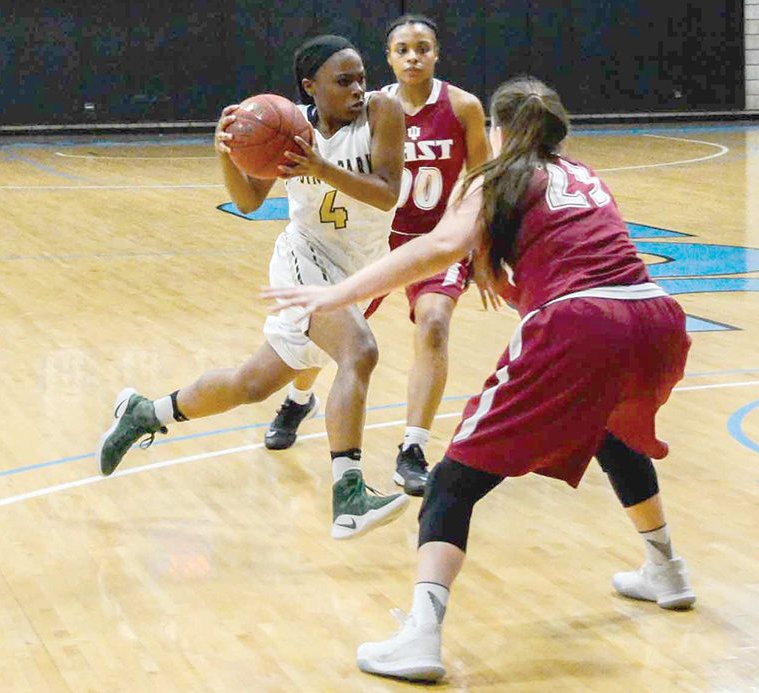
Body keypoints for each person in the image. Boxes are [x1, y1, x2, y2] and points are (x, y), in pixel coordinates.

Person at [261, 76, 696, 681]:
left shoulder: (495, 179)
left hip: (585, 325)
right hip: (659, 320)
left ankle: (420, 637)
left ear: (498, 132)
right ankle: (666, 570)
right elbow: (571, 250)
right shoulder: (584, 174)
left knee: (451, 483)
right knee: (613, 433)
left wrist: (337, 292)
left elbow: (436, 248)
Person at [95, 35, 411, 541]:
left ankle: (144, 412)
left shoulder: (383, 113)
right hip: (302, 262)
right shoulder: (289, 128)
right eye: (343, 80)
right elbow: (246, 200)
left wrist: (321, 169)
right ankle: (348, 495)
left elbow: (386, 192)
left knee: (252, 384)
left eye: (361, 78)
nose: (358, 89)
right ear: (310, 86)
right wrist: (225, 151)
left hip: (356, 274)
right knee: (360, 351)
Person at [263, 14, 492, 499]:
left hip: (434, 242)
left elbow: (483, 181)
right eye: (403, 49)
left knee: (433, 324)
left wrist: (486, 246)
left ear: (437, 54)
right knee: (335, 338)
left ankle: (412, 447)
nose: (414, 56)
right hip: (376, 243)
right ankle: (298, 397)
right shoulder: (370, 108)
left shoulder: (463, 106)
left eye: (423, 47)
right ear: (388, 58)